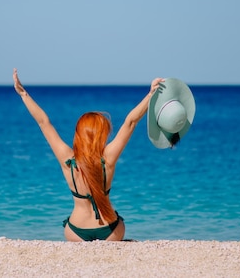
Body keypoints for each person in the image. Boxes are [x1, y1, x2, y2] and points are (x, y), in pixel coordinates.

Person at [13, 68, 164, 241]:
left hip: (76, 231)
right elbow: (130, 122)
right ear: (102, 135)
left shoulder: (67, 160)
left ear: (78, 134)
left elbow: (43, 122)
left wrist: (24, 94)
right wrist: (151, 94)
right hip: (111, 231)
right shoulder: (107, 159)